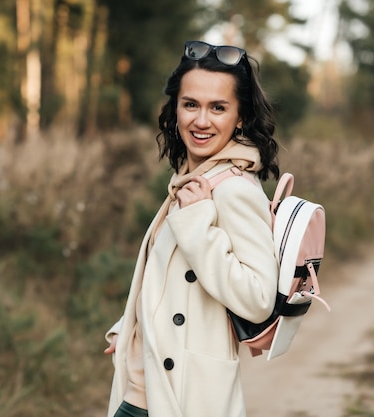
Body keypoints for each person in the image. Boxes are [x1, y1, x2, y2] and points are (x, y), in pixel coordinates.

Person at [103, 40, 280, 417]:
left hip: (183, 397)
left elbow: (258, 298)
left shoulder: (233, 189)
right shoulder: (193, 178)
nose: (201, 121)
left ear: (241, 117)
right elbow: (172, 277)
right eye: (191, 104)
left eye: (218, 107)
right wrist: (133, 324)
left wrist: (199, 226)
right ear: (175, 109)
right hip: (144, 390)